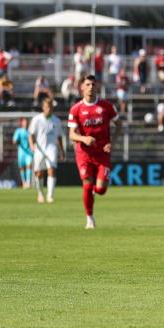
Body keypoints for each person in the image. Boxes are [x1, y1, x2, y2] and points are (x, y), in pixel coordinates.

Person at [68, 75, 120, 229]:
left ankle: (94, 193)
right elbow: (71, 134)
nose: (91, 87)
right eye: (88, 84)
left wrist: (112, 143)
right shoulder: (76, 109)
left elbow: (120, 125)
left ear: (97, 87)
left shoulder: (106, 106)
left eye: (93, 84)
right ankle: (89, 218)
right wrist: (83, 139)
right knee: (87, 184)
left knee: (101, 190)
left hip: (102, 153)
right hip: (84, 154)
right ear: (82, 87)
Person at [29, 97, 65, 204]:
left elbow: (59, 137)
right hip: (39, 148)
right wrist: (32, 146)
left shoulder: (56, 121)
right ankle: (40, 193)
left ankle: (50, 195)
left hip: (51, 148)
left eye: (50, 107)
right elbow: (31, 134)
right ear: (43, 108)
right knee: (39, 173)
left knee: (51, 170)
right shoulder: (36, 119)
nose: (48, 109)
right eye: (46, 107)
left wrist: (62, 151)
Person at [12, 117, 33, 189]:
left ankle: (28, 182)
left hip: (29, 152)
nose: (26, 123)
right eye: (24, 122)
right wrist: (16, 141)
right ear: (21, 123)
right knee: (22, 168)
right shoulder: (18, 131)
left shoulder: (30, 131)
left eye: (26, 122)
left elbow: (33, 141)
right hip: (21, 152)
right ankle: (24, 183)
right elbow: (14, 140)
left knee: (29, 166)